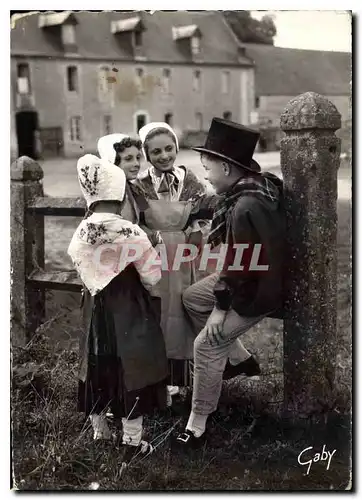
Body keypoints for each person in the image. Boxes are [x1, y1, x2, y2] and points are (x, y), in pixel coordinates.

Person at [175, 118, 286, 447]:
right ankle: (239, 360)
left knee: (205, 345)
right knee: (193, 298)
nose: (206, 176)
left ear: (225, 167)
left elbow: (237, 268)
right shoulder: (256, 186)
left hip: (259, 291)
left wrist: (221, 310)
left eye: (207, 168)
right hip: (258, 276)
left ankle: (197, 424)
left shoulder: (243, 207)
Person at [68, 154, 168, 460]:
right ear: (122, 194)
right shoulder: (130, 231)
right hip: (129, 308)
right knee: (133, 368)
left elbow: (77, 260)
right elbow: (152, 275)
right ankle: (132, 441)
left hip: (97, 310)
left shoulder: (82, 231)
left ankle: (101, 432)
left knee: (98, 365)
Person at [135, 122, 211, 395]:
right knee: (156, 310)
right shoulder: (140, 185)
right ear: (146, 154)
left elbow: (199, 216)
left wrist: (196, 230)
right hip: (152, 253)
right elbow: (136, 220)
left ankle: (184, 381)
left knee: (180, 309)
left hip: (181, 255)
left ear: (177, 148)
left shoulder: (188, 180)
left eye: (169, 148)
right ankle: (155, 381)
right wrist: (151, 236)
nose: (164, 156)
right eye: (156, 152)